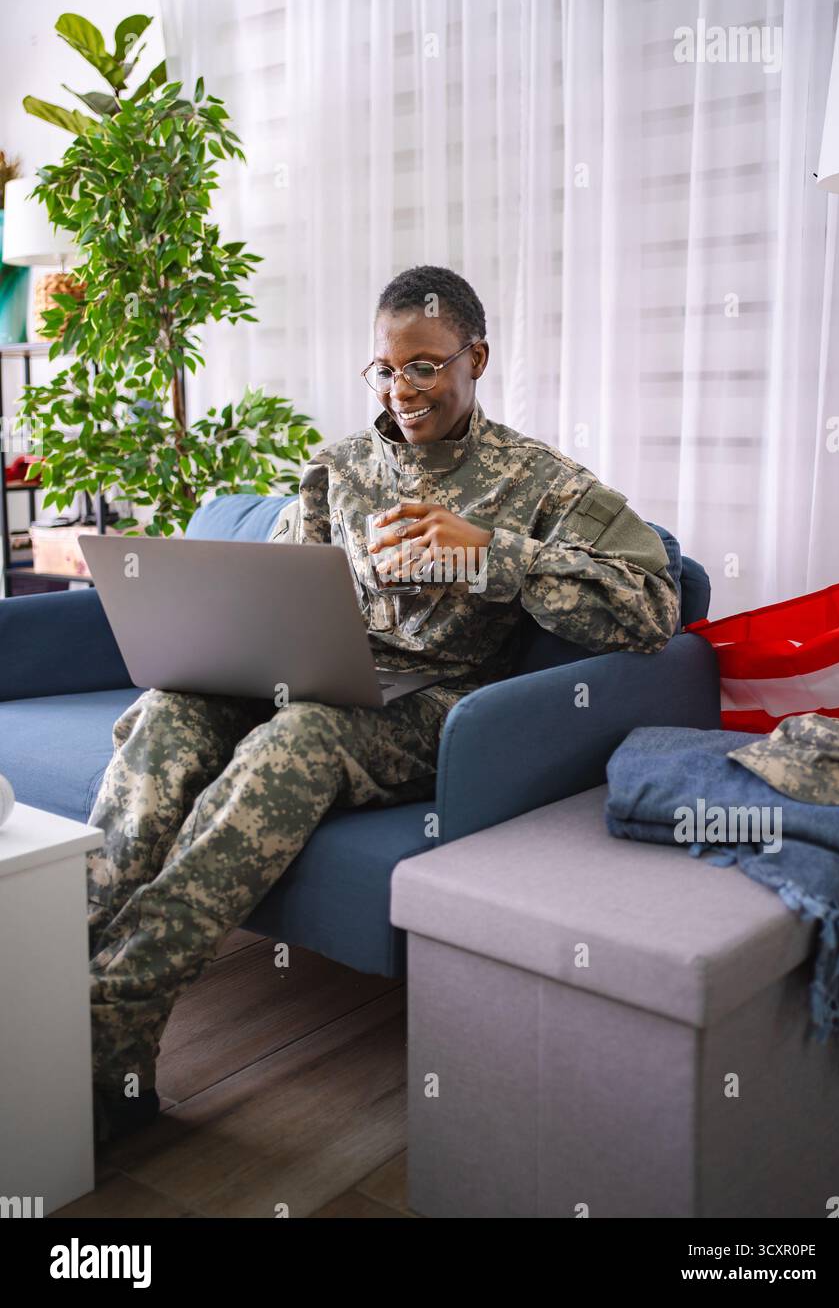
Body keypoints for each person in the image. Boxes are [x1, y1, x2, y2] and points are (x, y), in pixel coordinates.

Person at [87, 265, 679, 1143]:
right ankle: (55, 984)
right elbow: (277, 590)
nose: (403, 391)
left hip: (434, 703)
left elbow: (652, 607)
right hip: (313, 672)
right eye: (386, 370)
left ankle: (111, 1024)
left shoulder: (541, 482)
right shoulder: (337, 469)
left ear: (476, 357)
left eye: (426, 367)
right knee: (170, 711)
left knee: (302, 738)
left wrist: (493, 552)